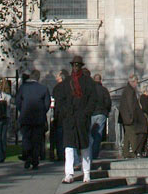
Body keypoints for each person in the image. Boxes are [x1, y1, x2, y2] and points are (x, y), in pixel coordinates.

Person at [52, 55, 98, 183]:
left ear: (81, 66)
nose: (76, 67)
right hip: (70, 119)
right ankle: (69, 174)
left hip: (82, 118)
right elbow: (60, 100)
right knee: (69, 147)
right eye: (74, 65)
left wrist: (86, 113)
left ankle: (86, 173)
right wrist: (65, 113)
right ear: (72, 66)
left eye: (78, 65)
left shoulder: (88, 82)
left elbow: (92, 99)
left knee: (84, 146)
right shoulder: (66, 82)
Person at [16, 67, 51, 169]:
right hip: (38, 119)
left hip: (26, 117)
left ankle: (27, 157)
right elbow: (47, 104)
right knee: (36, 140)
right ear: (38, 78)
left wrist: (22, 110)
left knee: (26, 138)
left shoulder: (23, 87)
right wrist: (42, 112)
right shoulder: (43, 88)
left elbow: (18, 102)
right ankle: (35, 160)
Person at [119, 74, 148, 157]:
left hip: (126, 116)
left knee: (127, 135)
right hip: (128, 117)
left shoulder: (128, 90)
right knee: (132, 135)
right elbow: (131, 105)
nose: (136, 84)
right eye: (136, 82)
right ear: (133, 82)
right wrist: (132, 117)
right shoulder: (130, 91)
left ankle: (126, 152)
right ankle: (135, 151)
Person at [90, 72, 112, 160]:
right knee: (98, 134)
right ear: (100, 80)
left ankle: (90, 153)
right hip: (101, 113)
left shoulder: (90, 90)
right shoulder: (104, 90)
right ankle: (95, 153)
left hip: (92, 114)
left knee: (91, 134)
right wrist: (107, 111)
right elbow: (108, 102)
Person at [48, 69, 67, 160]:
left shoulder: (57, 88)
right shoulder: (68, 87)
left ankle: (59, 154)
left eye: (57, 76)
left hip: (59, 114)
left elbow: (54, 102)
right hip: (66, 114)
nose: (56, 77)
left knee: (58, 136)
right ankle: (64, 154)